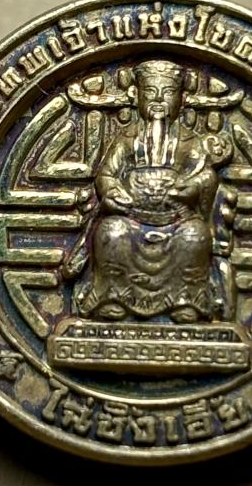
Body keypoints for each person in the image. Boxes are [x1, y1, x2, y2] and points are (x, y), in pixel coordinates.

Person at [75, 60, 220, 323]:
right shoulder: (127, 139)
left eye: (168, 93)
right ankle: (113, 297)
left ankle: (185, 300)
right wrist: (113, 193)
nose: (158, 100)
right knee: (110, 233)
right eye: (150, 92)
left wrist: (193, 188)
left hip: (176, 219)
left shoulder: (190, 142)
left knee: (195, 236)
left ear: (181, 100)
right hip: (132, 217)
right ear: (136, 96)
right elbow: (106, 174)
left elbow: (206, 175)